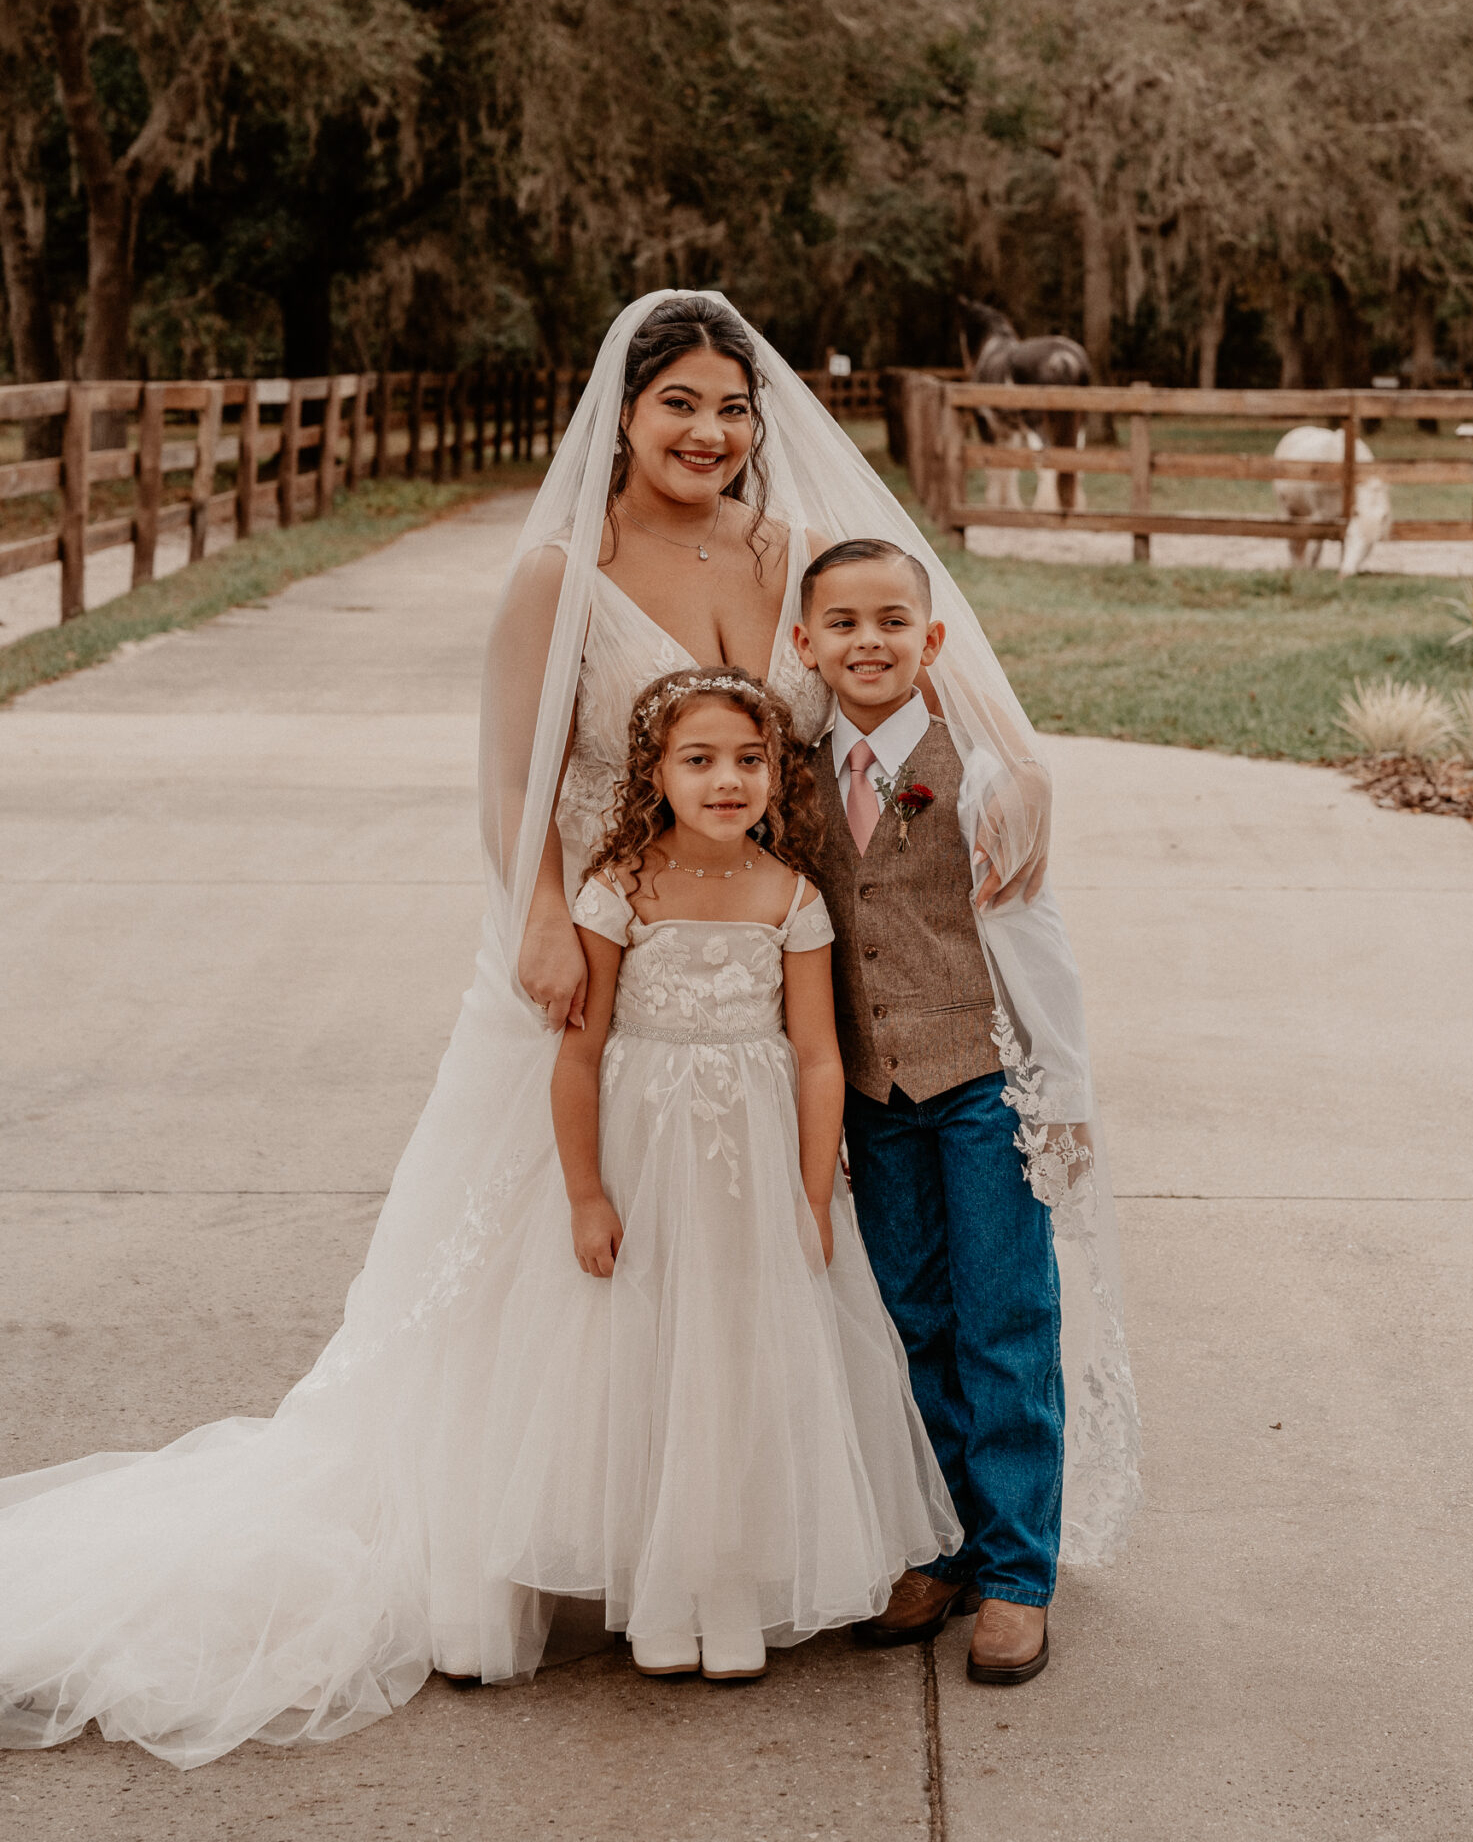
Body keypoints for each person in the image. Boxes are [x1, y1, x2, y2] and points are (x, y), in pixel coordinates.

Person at [0, 290, 1136, 1769]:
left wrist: (1024, 762)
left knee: (793, 1262)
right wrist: (541, 915)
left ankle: (820, 1536)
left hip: (797, 979)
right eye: (682, 405)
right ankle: (558, 1533)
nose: (712, 432)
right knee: (581, 1256)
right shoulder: (561, 574)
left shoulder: (795, 556)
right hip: (609, 957)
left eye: (735, 407)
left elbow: (912, 659)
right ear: (625, 410)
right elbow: (510, 782)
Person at [522, 664, 954, 1681]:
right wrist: (588, 1193)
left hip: (753, 1170)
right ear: (655, 772)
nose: (728, 779)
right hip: (647, 1157)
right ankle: (660, 1587)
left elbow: (815, 1056)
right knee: (657, 1356)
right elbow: (577, 1055)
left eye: (750, 759)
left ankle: (732, 1585)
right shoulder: (617, 887)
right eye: (700, 759)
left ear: (775, 774)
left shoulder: (791, 893)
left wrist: (810, 1197)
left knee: (742, 1358)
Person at [794, 539, 1066, 1686]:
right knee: (909, 1311)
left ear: (932, 640)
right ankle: (944, 1537)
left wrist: (1063, 1090)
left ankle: (1016, 1569)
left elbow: (1038, 943)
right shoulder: (792, 774)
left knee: (1002, 1315)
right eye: (843, 622)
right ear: (803, 644)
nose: (868, 641)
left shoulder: (987, 772)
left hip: (979, 1077)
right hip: (868, 1090)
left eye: (892, 621)